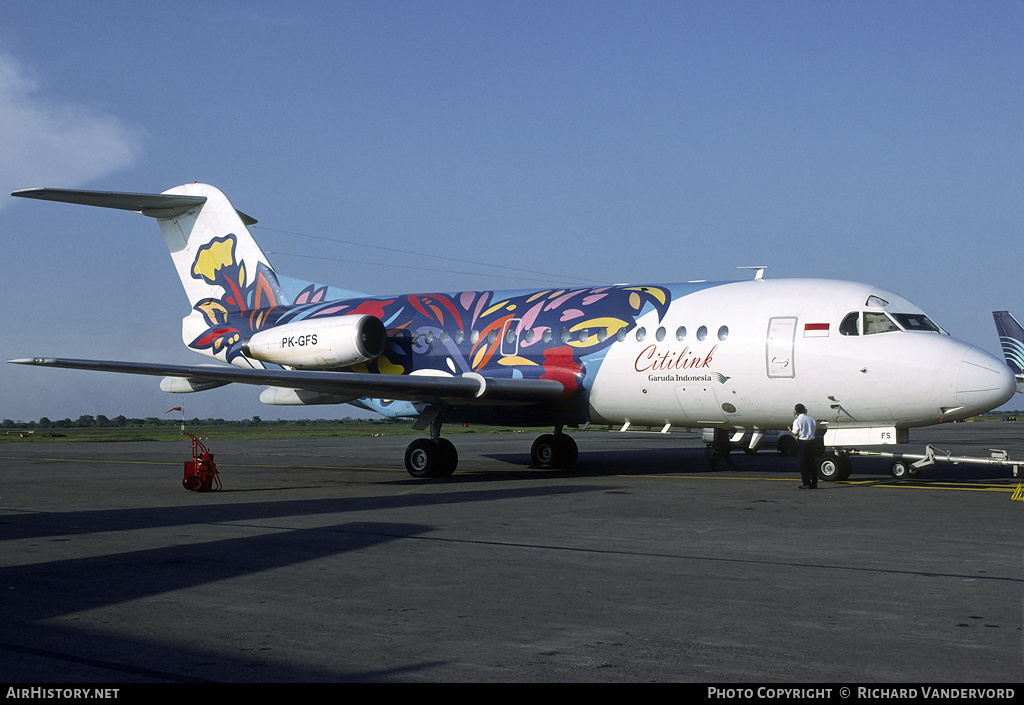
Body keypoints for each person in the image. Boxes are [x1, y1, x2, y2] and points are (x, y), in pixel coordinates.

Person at [789, 404, 817, 488]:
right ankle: (814, 482)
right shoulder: (811, 419)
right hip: (811, 442)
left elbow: (795, 433)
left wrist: (790, 430)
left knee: (804, 463)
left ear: (796, 411)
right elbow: (814, 429)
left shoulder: (797, 421)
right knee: (812, 463)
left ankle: (806, 483)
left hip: (803, 442)